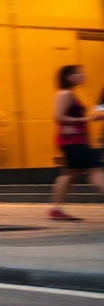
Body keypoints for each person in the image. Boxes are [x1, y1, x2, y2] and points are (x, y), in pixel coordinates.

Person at [48, 65, 99, 221]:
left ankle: (56, 209)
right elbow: (59, 117)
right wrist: (89, 119)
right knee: (96, 170)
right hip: (73, 140)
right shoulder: (65, 94)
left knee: (70, 174)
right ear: (69, 77)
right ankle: (56, 209)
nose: (83, 76)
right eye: (79, 74)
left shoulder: (70, 94)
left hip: (73, 140)